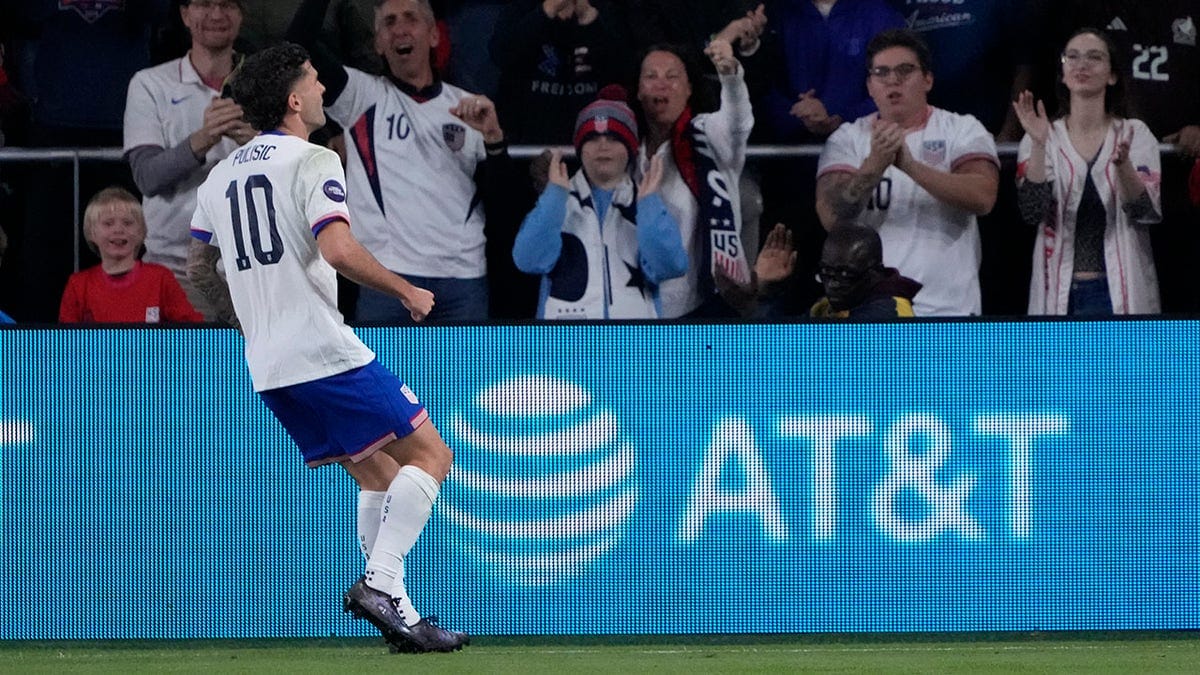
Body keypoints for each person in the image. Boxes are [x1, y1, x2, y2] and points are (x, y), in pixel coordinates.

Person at [188, 43, 468, 653]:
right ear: (294, 99)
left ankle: (401, 614)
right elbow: (338, 250)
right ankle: (381, 583)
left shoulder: (219, 177)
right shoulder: (314, 159)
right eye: (314, 81)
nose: (321, 91)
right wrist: (406, 290)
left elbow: (199, 267)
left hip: (268, 365)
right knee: (432, 455)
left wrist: (247, 319)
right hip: (322, 350)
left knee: (378, 473)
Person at [288, 0, 517, 323]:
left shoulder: (469, 108)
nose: (400, 29)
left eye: (411, 18)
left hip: (463, 278)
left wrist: (493, 138)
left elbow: (505, 205)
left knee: (466, 362)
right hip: (387, 281)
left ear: (434, 35)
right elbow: (295, 46)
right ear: (378, 43)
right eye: (389, 22)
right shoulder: (360, 97)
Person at [815, 28, 999, 316]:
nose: (893, 80)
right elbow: (830, 217)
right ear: (870, 85)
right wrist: (873, 166)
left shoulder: (962, 129)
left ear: (927, 79)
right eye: (881, 72)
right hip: (872, 313)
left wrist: (910, 166)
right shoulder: (847, 138)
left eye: (905, 70)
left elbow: (983, 197)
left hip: (950, 310)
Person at [1013, 28, 1162, 315]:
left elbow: (1144, 212)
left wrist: (1124, 167)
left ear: (1112, 75)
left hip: (1119, 294)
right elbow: (1032, 212)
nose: (1082, 65)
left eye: (1094, 57)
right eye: (1072, 57)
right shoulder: (1042, 135)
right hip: (1061, 294)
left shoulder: (1135, 134)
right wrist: (1040, 144)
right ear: (1063, 73)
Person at [123, 0, 254, 324]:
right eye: (204, 4)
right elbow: (148, 177)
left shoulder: (266, 84)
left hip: (256, 269)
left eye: (227, 4)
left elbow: (296, 167)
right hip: (176, 271)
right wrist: (206, 136)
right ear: (184, 14)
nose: (216, 15)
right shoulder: (150, 83)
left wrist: (259, 140)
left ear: (241, 14)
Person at [512, 87, 688, 318]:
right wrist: (554, 198)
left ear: (630, 148)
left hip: (634, 339)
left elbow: (669, 267)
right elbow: (528, 260)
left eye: (614, 138)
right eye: (593, 138)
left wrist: (649, 206)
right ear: (580, 149)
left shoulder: (645, 202)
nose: (603, 146)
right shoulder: (558, 201)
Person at [634, 39, 754, 318]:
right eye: (651, 76)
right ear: (638, 90)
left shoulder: (709, 135)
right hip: (636, 306)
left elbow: (738, 123)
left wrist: (731, 76)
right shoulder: (624, 148)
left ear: (689, 88)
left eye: (672, 76)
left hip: (705, 304)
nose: (661, 84)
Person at [490, 0, 632, 145]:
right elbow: (501, 56)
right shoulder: (522, 7)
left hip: (596, 139)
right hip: (526, 140)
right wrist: (547, 10)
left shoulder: (609, 9)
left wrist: (590, 20)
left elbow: (626, 71)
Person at [58, 187, 203, 324]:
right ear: (91, 233)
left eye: (127, 223)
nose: (118, 229)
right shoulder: (78, 285)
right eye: (108, 223)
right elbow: (65, 340)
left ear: (141, 232)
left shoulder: (160, 279)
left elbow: (193, 333)